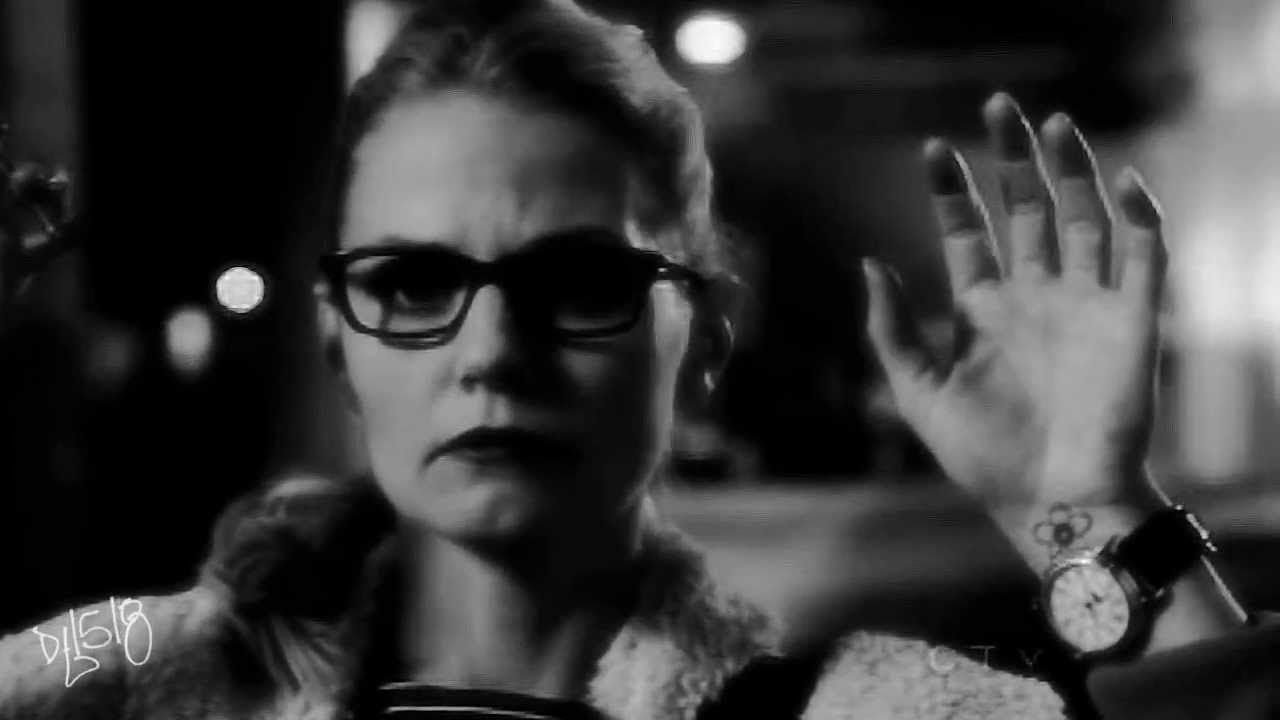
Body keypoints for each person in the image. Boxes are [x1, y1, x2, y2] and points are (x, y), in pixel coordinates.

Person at [1, 1, 1277, 718]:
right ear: (339, 337)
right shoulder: (152, 668)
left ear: (703, 339)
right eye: (412, 285)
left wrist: (1088, 503)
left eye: (580, 284)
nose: (492, 351)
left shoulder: (850, 712)